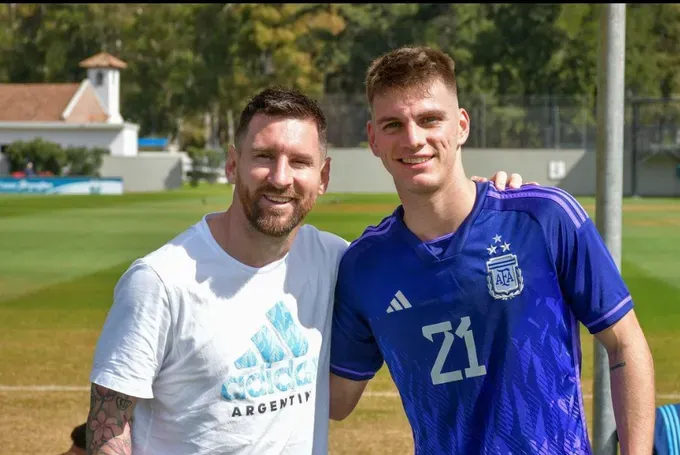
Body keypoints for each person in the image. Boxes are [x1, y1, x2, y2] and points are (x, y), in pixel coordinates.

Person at [87, 86, 523, 455]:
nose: (280, 177)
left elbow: (426, 258)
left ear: (323, 176)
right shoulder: (160, 281)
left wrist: (482, 203)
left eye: (299, 162)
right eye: (263, 156)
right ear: (232, 164)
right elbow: (110, 426)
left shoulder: (337, 261)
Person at [328, 45, 656, 455]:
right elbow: (336, 400)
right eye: (393, 124)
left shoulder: (542, 218)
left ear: (462, 125)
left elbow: (625, 343)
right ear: (373, 139)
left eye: (430, 119)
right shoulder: (365, 266)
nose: (413, 139)